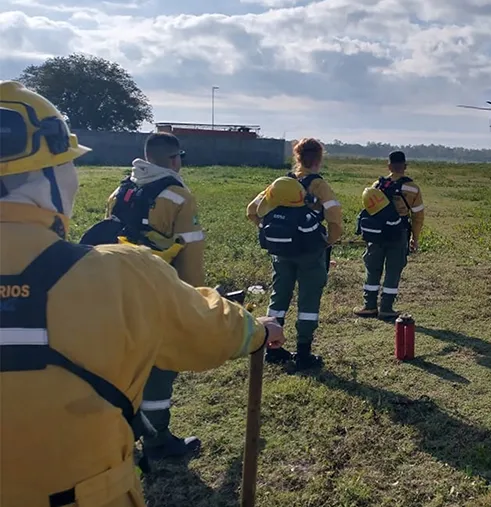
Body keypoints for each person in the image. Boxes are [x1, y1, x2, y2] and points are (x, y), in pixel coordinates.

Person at [0, 80, 286, 507]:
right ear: (54, 180)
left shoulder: (123, 189)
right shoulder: (129, 270)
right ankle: (158, 433)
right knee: (154, 375)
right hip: (87, 494)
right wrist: (252, 328)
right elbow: (201, 300)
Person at [101, 132, 209, 460]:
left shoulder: (119, 191)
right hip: (158, 292)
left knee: (126, 363)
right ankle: (157, 440)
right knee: (160, 366)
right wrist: (195, 298)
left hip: (119, 290)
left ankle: (120, 435)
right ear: (175, 159)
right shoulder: (178, 195)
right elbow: (190, 252)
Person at [246, 138, 342, 370]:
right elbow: (335, 218)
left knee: (279, 297)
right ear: (319, 159)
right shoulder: (319, 185)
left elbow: (252, 210)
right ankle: (304, 352)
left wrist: (267, 230)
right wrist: (326, 241)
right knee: (308, 300)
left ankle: (273, 347)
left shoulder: (282, 183)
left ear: (296, 157)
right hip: (310, 252)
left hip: (281, 251)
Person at [353, 150, 425, 320]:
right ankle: (386, 308)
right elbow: (418, 217)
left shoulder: (377, 184)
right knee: (393, 270)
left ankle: (369, 306)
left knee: (372, 269)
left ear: (389, 166)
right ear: (405, 167)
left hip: (376, 234)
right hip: (398, 233)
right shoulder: (412, 188)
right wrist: (415, 237)